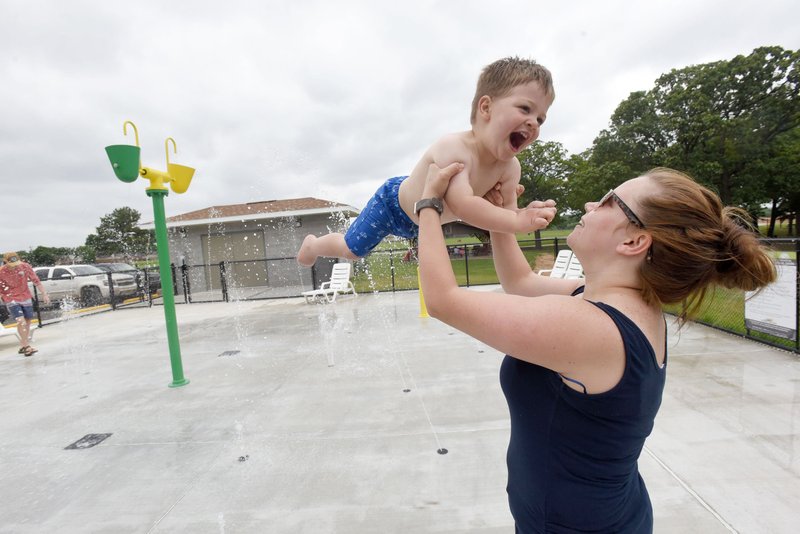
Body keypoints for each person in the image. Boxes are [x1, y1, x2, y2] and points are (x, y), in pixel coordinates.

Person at [417, 163, 776, 533]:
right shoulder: (616, 304)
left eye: (607, 202)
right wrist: (503, 212)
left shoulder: (592, 328)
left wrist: (428, 204)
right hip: (600, 516)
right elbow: (520, 281)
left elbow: (443, 300)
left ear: (634, 241)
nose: (590, 205)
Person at [297, 56, 555, 266]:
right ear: (485, 108)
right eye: (525, 109)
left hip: (422, 223)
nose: (534, 122)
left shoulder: (511, 168)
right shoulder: (454, 149)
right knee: (353, 250)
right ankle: (314, 244)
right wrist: (517, 222)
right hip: (392, 206)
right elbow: (463, 205)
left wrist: (522, 214)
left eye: (541, 118)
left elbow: (504, 214)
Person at [0, 252, 50, 356]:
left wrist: (44, 294)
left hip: (25, 296)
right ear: (5, 262)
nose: (15, 267)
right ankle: (26, 346)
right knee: (20, 321)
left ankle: (23, 345)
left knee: (27, 321)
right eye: (12, 265)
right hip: (10, 298)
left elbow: (36, 280)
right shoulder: (1, 271)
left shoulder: (25, 266)